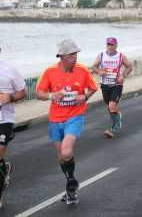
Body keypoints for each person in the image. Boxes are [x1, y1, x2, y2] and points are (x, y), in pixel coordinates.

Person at [35, 40, 98, 205]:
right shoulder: (49, 72)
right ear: (61, 56)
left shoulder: (82, 70)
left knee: (66, 151)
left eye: (76, 54)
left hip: (75, 116)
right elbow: (38, 93)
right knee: (61, 157)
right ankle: (71, 183)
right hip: (55, 119)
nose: (75, 57)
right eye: (71, 55)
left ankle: (70, 185)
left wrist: (84, 97)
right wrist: (51, 96)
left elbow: (93, 88)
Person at [92, 37, 133, 138]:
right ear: (106, 45)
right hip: (105, 85)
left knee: (111, 106)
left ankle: (114, 127)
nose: (110, 47)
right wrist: (99, 72)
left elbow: (129, 66)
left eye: (112, 45)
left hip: (116, 85)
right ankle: (116, 119)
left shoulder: (121, 56)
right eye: (108, 45)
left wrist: (123, 76)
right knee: (109, 107)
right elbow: (94, 66)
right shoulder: (101, 55)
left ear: (116, 45)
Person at [0, 49, 26, 208]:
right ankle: (5, 167)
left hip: (4, 119)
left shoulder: (9, 69)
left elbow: (22, 92)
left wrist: (10, 97)